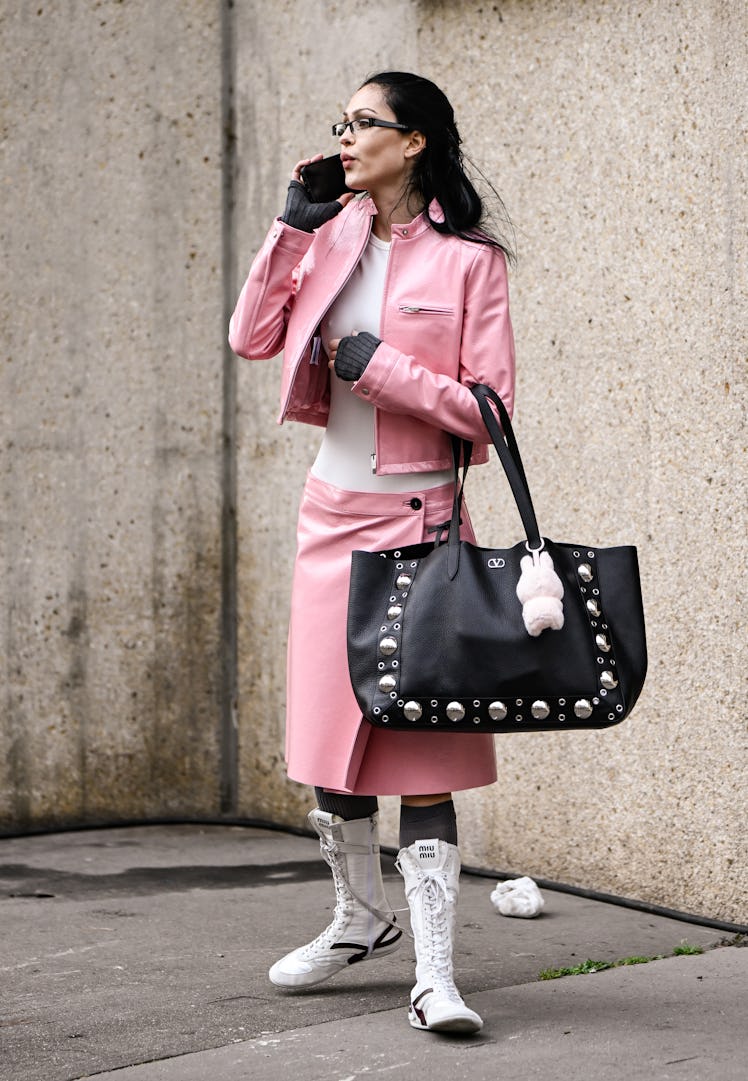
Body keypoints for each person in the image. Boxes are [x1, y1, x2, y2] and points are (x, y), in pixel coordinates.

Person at [229, 71, 515, 1035]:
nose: (345, 138)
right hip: (329, 522)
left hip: (421, 529)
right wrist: (291, 226)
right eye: (341, 123)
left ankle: (436, 975)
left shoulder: (471, 262)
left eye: (364, 123)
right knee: (330, 751)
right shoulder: (327, 241)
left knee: (419, 753)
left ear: (416, 142)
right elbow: (250, 337)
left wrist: (378, 369)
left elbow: (490, 411)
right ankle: (358, 917)